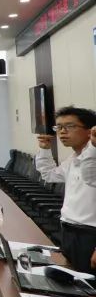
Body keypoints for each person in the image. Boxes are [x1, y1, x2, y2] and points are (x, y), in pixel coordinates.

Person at [34, 106, 96, 275]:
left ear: (90, 131)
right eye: (59, 127)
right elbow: (50, 175)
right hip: (69, 230)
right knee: (75, 282)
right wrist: (45, 149)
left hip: (90, 234)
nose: (62, 132)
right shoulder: (73, 158)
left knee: (89, 284)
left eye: (69, 126)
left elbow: (90, 177)